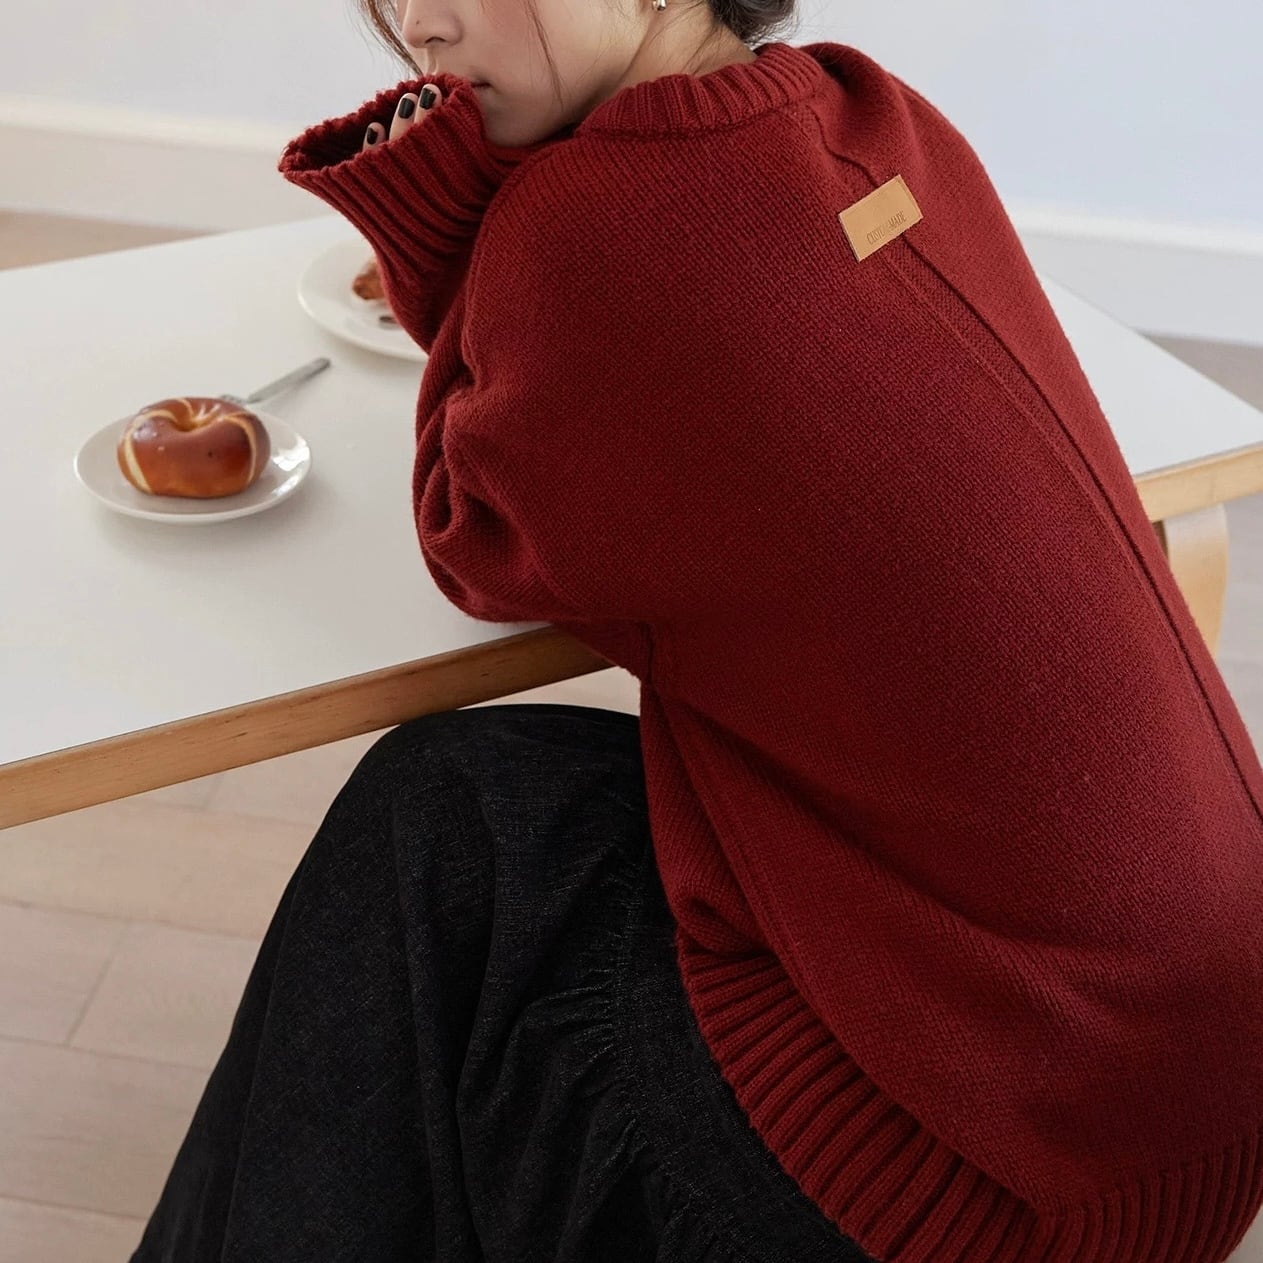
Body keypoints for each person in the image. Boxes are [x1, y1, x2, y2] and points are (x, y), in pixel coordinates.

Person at [130, 0, 1263, 1258]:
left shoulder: (592, 232)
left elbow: (474, 532)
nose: (418, 24)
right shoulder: (872, 110)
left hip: (980, 1179)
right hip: (1193, 1095)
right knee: (474, 803)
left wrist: (445, 227)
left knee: (427, 825)